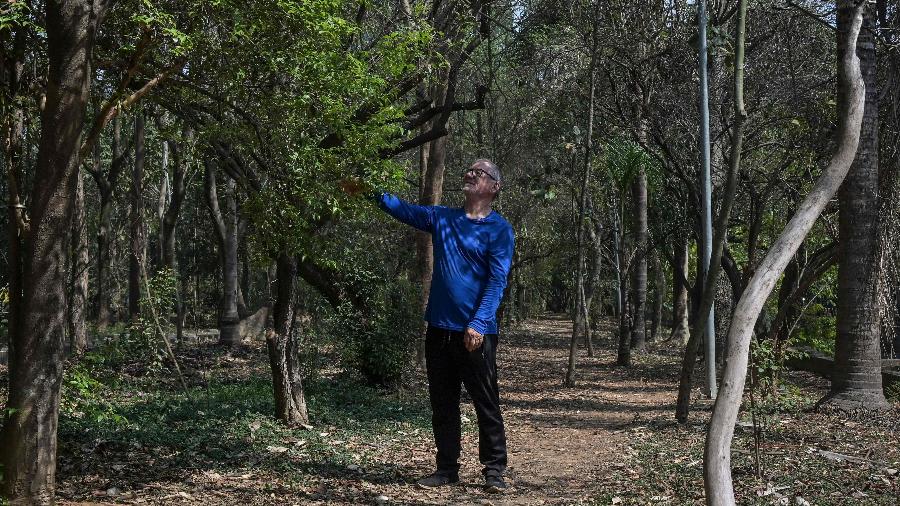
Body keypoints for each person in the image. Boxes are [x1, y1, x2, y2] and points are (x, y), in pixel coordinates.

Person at [375, 159, 514, 493]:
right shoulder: (442, 217)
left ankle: (494, 470)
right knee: (443, 403)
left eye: (478, 172)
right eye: (468, 169)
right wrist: (369, 190)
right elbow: (403, 210)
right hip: (439, 329)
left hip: (477, 333)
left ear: (494, 187)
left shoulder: (499, 229)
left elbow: (497, 280)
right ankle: (446, 468)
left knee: (486, 403)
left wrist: (479, 322)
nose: (469, 173)